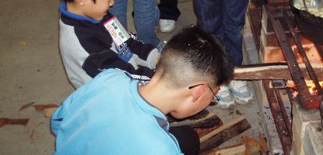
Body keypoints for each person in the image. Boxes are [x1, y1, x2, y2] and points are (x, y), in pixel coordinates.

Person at [51, 25, 234, 155]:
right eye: (213, 95)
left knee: (186, 138)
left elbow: (57, 122)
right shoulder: (162, 149)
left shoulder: (110, 77)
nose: (212, 100)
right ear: (199, 91)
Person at [56, 0, 163, 89]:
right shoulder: (83, 46)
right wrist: (163, 78)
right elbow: (125, 78)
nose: (112, 3)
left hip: (127, 76)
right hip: (109, 97)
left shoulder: (100, 14)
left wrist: (157, 59)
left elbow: (128, 41)